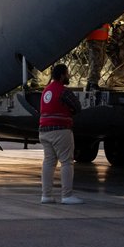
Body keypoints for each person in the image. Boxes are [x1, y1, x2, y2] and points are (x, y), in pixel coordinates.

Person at [39, 64, 84, 204]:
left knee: (49, 162)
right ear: (62, 75)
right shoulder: (63, 91)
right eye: (67, 73)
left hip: (44, 130)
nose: (69, 76)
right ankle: (67, 195)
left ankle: (46, 195)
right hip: (60, 130)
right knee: (66, 162)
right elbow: (78, 107)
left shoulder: (46, 91)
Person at [84, 24, 111, 90]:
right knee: (96, 61)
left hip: (102, 37)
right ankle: (93, 83)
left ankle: (91, 82)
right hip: (96, 37)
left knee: (99, 61)